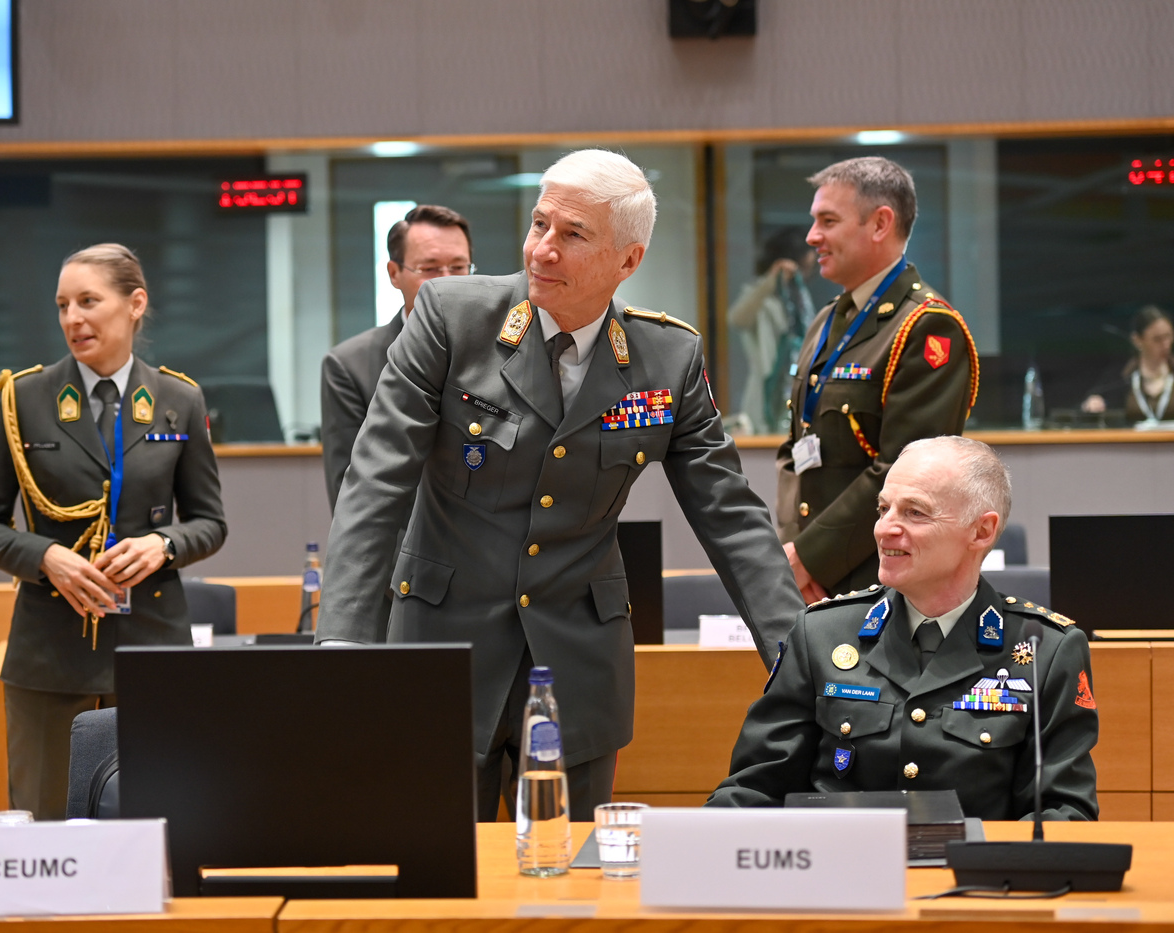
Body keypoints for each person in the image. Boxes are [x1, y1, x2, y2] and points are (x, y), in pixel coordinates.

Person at [317, 149, 803, 821]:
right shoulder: (454, 319)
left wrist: (795, 654)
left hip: (579, 656)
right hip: (444, 647)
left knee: (571, 883)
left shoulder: (667, 359)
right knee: (443, 877)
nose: (543, 249)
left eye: (572, 235)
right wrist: (344, 640)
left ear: (627, 261)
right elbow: (375, 481)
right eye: (540, 224)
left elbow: (732, 515)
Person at [0, 243, 226, 820]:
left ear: (135, 304)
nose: (72, 319)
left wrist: (164, 544)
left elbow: (210, 523)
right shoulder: (22, 400)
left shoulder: (179, 399)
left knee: (163, 823)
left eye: (88, 301)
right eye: (62, 305)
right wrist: (46, 556)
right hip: (51, 654)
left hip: (151, 649)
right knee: (47, 827)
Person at [708, 436, 1098, 820]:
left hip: (971, 877)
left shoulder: (1044, 650)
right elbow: (753, 788)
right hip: (841, 873)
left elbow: (1064, 812)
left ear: (981, 532)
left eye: (915, 512)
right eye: (883, 509)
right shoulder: (822, 633)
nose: (884, 530)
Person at [777, 157, 979, 605]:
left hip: (882, 579)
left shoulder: (927, 328)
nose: (812, 237)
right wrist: (794, 551)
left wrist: (811, 557)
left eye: (828, 221)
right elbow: (796, 448)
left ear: (880, 224)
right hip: (808, 580)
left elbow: (908, 478)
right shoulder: (827, 320)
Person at [321, 204, 474, 511]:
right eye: (430, 269)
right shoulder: (350, 366)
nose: (447, 282)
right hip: (403, 553)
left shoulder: (502, 353)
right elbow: (353, 497)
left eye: (458, 268)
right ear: (394, 274)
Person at [726, 226, 817, 434]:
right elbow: (736, 319)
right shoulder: (761, 293)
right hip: (766, 392)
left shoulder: (801, 300)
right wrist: (772, 280)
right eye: (802, 268)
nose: (805, 275)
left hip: (797, 387)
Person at [1081, 305, 1174, 425]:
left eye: (1168, 336)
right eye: (1157, 339)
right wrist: (1093, 403)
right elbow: (1089, 404)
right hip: (1130, 442)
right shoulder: (1120, 376)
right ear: (1137, 340)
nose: (1166, 345)